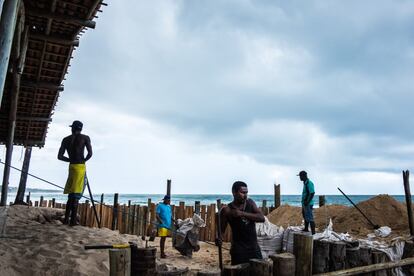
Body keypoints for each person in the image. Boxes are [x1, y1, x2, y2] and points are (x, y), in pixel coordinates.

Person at [218, 181, 264, 265]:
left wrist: (242, 213)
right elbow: (221, 231)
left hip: (254, 249)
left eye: (246, 192)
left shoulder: (250, 203)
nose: (245, 195)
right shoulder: (227, 210)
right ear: (234, 192)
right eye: (242, 193)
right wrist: (219, 239)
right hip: (238, 251)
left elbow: (261, 218)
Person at [58, 120, 92, 226]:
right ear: (80, 129)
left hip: (71, 166)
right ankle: (72, 221)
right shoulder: (85, 138)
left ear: (72, 128)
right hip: (80, 166)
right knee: (76, 195)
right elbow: (90, 153)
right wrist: (83, 160)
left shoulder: (66, 139)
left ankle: (66, 220)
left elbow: (60, 156)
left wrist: (70, 160)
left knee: (71, 194)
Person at [298, 170, 316, 234]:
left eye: (300, 176)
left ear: (304, 176)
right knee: (305, 216)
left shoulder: (309, 183)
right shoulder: (305, 183)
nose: (299, 178)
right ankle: (306, 228)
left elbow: (312, 193)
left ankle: (313, 233)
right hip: (304, 203)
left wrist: (307, 201)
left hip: (308, 204)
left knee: (310, 218)